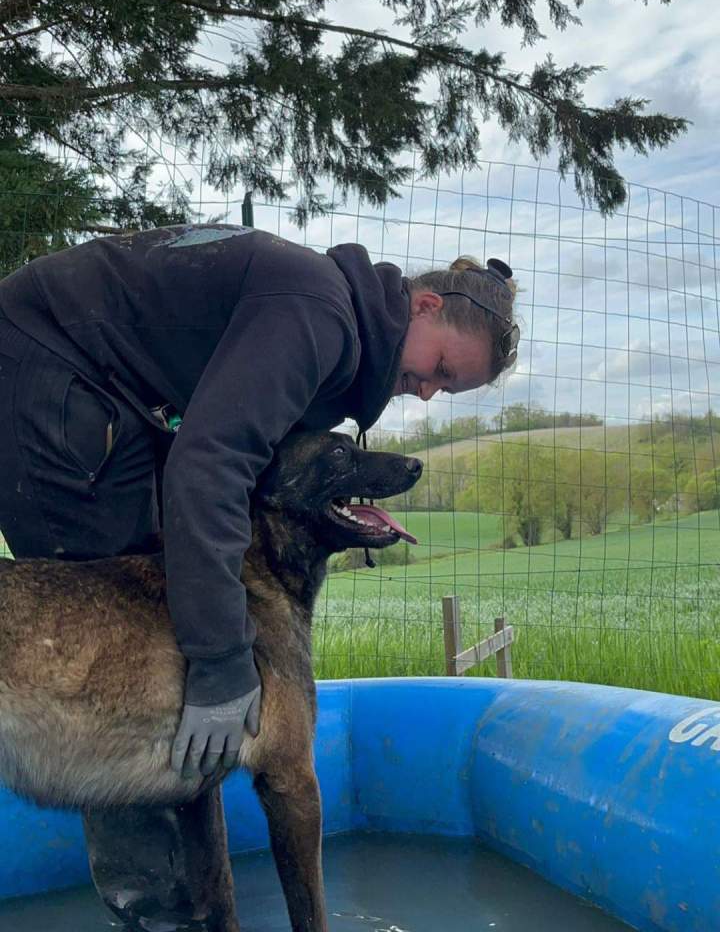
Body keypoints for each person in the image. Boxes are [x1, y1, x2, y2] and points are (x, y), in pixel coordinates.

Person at [0, 223, 519, 777]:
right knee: (129, 672)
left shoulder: (333, 326)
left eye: (446, 390)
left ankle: (175, 859)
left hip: (103, 390)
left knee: (159, 652)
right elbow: (208, 468)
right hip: (48, 370)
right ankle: (143, 859)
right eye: (440, 369)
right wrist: (223, 662)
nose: (427, 391)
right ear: (425, 306)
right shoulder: (319, 317)